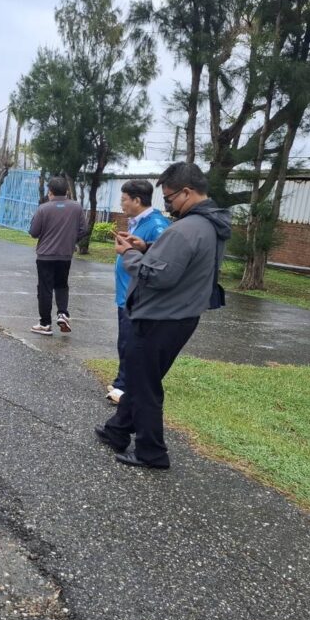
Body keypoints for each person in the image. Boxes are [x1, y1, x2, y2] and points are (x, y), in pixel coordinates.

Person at [95, 162, 231, 469]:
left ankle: (152, 452)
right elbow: (181, 261)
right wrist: (148, 247)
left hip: (161, 317)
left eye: (169, 198)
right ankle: (118, 430)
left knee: (145, 384)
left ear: (186, 192)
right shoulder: (209, 225)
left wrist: (129, 254)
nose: (167, 205)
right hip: (181, 314)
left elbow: (156, 277)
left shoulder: (186, 229)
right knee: (144, 376)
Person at [106, 180, 170, 405]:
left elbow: (162, 259)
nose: (121, 204)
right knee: (124, 340)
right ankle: (121, 381)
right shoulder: (136, 222)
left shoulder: (157, 225)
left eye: (124, 199)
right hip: (125, 294)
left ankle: (124, 387)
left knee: (131, 342)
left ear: (137, 200)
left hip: (137, 297)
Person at [27, 175, 88, 336]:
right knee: (61, 285)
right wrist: (71, 239)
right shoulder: (76, 207)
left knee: (45, 289)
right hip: (65, 255)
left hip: (45, 256)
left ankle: (45, 323)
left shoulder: (43, 208)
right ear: (67, 191)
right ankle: (63, 313)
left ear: (50, 191)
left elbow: (33, 232)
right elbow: (83, 229)